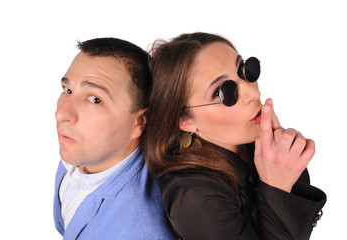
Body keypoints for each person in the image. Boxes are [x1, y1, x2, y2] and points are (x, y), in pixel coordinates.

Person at [144, 32, 326, 240]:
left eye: (245, 70)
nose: (254, 93)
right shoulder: (194, 198)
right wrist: (277, 188)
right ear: (185, 120)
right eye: (224, 92)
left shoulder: (253, 145)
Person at [53, 37, 177, 239]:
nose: (62, 114)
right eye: (68, 90)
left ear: (140, 122)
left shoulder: (139, 230)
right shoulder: (84, 151)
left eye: (95, 99)